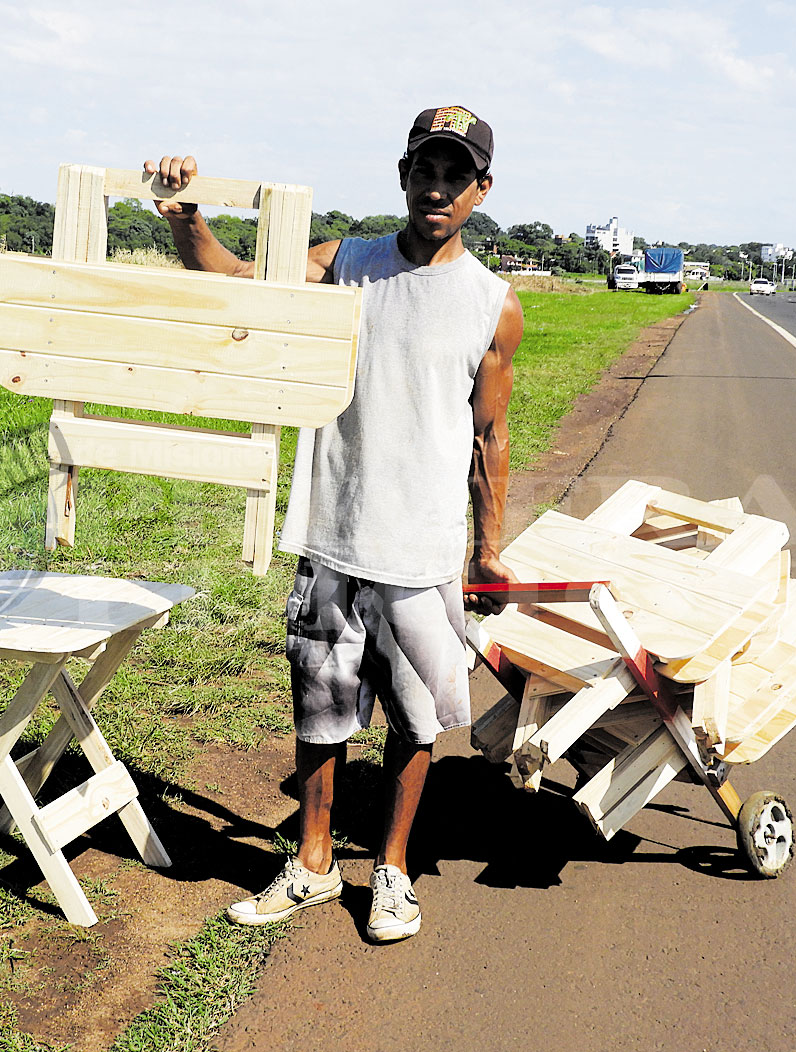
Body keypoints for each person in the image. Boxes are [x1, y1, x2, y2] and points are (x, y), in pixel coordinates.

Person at [145, 104, 523, 942]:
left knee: (415, 722)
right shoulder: (346, 264)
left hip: (420, 548)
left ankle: (392, 872)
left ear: (481, 190)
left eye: (455, 175)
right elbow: (238, 280)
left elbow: (489, 434)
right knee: (320, 709)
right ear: (402, 175)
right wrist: (188, 218)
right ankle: (313, 864)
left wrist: (486, 550)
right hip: (334, 535)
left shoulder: (494, 305)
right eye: (425, 169)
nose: (437, 187)